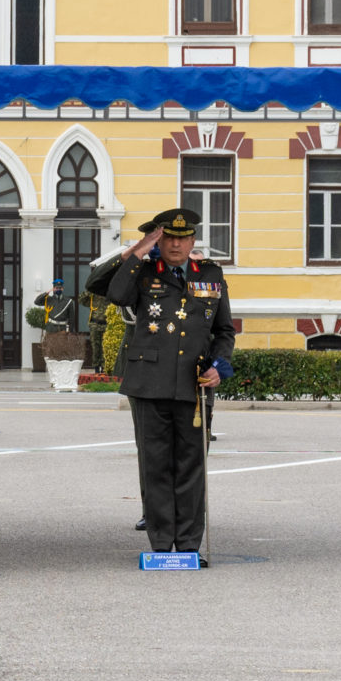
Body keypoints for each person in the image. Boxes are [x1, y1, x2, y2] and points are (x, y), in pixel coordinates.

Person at [100, 209, 236, 556]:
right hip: (149, 383)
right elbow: (116, 295)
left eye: (182, 238)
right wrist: (138, 252)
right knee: (155, 465)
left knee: (192, 467)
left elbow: (224, 331)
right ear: (160, 241)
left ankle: (189, 546)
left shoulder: (211, 275)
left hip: (194, 384)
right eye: (169, 238)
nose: (176, 245)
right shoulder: (144, 272)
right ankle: (161, 546)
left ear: (193, 241)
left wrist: (220, 366)